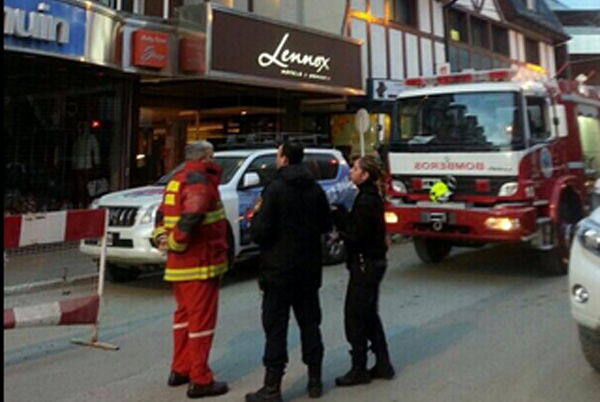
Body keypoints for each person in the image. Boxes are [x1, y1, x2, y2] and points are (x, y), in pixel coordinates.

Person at [248, 142, 332, 402]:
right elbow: (325, 225)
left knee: (276, 328)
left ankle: (272, 386)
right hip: (307, 271)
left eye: (277, 154)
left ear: (283, 159)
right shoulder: (315, 188)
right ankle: (315, 381)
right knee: (310, 325)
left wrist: (255, 222)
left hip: (278, 271)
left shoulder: (274, 189)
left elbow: (260, 231)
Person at [152, 141, 229, 399]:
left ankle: (180, 369)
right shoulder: (200, 181)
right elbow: (193, 213)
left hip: (180, 265)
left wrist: (162, 238)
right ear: (206, 156)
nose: (214, 158)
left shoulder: (177, 179)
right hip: (200, 262)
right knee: (201, 323)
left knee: (183, 318)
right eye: (212, 154)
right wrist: (177, 241)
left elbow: (162, 213)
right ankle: (200, 379)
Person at [333, 155, 395, 387]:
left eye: (355, 168)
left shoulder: (367, 200)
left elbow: (356, 233)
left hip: (365, 263)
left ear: (365, 175)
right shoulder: (367, 197)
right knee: (368, 314)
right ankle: (382, 363)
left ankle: (359, 368)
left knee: (356, 315)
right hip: (371, 262)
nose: (351, 171)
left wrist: (337, 217)